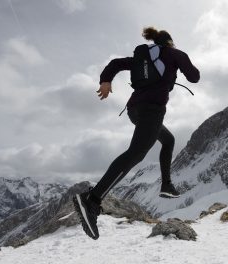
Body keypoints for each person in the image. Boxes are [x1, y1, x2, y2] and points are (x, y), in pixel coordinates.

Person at [73, 27, 200, 239]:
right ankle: (92, 200)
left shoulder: (141, 57)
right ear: (169, 42)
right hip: (152, 110)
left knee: (168, 140)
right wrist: (180, 65)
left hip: (135, 110)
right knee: (136, 153)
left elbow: (115, 64)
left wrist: (106, 80)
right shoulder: (175, 53)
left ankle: (166, 185)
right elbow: (194, 77)